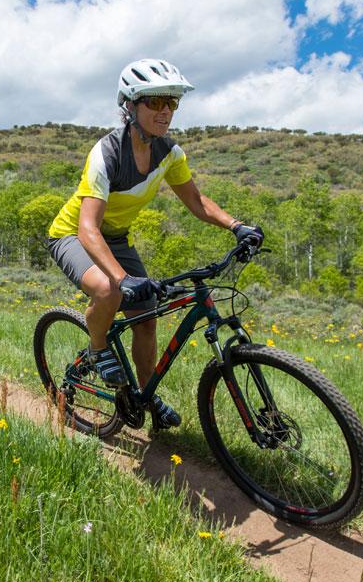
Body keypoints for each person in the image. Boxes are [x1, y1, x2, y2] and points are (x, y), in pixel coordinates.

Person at [45, 59, 264, 430]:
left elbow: (197, 201)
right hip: (73, 234)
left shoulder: (169, 153)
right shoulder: (106, 154)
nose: (165, 111)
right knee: (109, 290)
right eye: (155, 102)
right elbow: (87, 228)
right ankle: (97, 349)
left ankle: (146, 395)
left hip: (116, 238)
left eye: (172, 103)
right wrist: (122, 278)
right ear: (130, 106)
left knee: (146, 320)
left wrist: (237, 226)